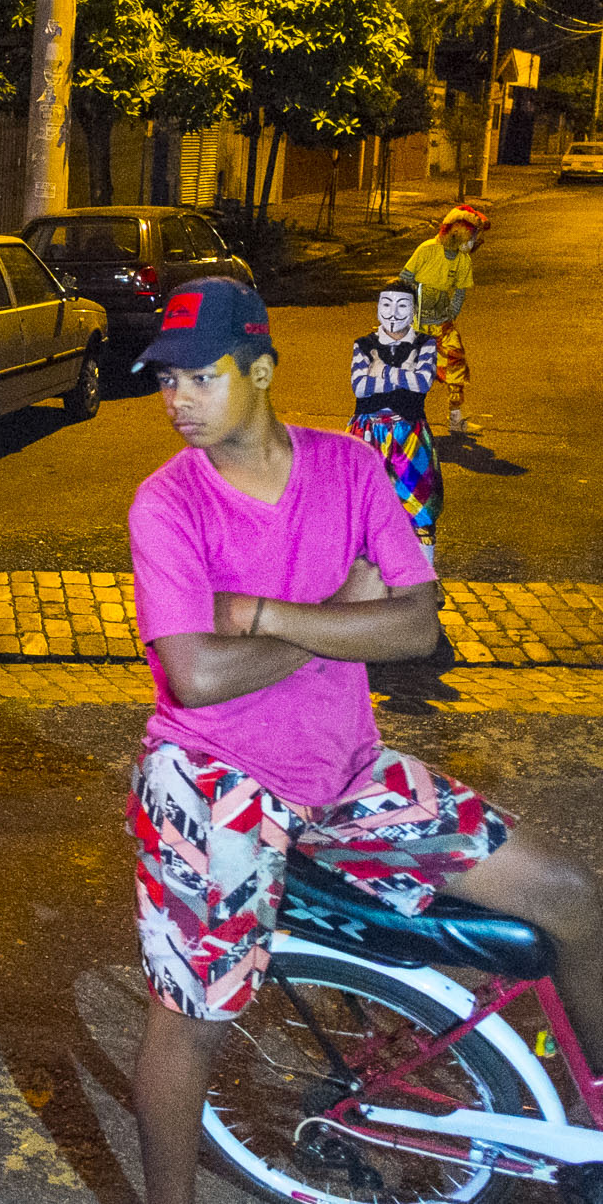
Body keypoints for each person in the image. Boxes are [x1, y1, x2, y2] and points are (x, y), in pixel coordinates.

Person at [122, 277, 603, 1204]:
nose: (176, 398)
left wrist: (259, 612)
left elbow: (417, 626)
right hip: (210, 777)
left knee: (574, 897)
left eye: (200, 375)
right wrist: (341, 608)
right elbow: (198, 677)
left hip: (347, 770)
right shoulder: (167, 504)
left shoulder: (350, 467)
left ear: (261, 368)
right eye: (165, 379)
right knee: (192, 1020)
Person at [348, 280, 442, 564]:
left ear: (413, 310)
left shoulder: (425, 344)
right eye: (386, 304)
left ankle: (425, 578)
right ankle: (364, 580)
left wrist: (380, 371)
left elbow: (423, 382)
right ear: (378, 308)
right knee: (361, 506)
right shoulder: (363, 344)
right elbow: (359, 387)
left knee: (419, 504)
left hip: (409, 433)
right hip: (366, 434)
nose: (393, 313)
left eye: (402, 305)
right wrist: (403, 372)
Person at [397, 204, 488, 432]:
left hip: (442, 325)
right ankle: (405, 420)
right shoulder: (427, 250)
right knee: (416, 373)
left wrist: (450, 315)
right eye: (474, 234)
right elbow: (405, 279)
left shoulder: (463, 260)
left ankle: (456, 420)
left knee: (457, 367)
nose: (475, 240)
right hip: (416, 325)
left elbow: (460, 291)